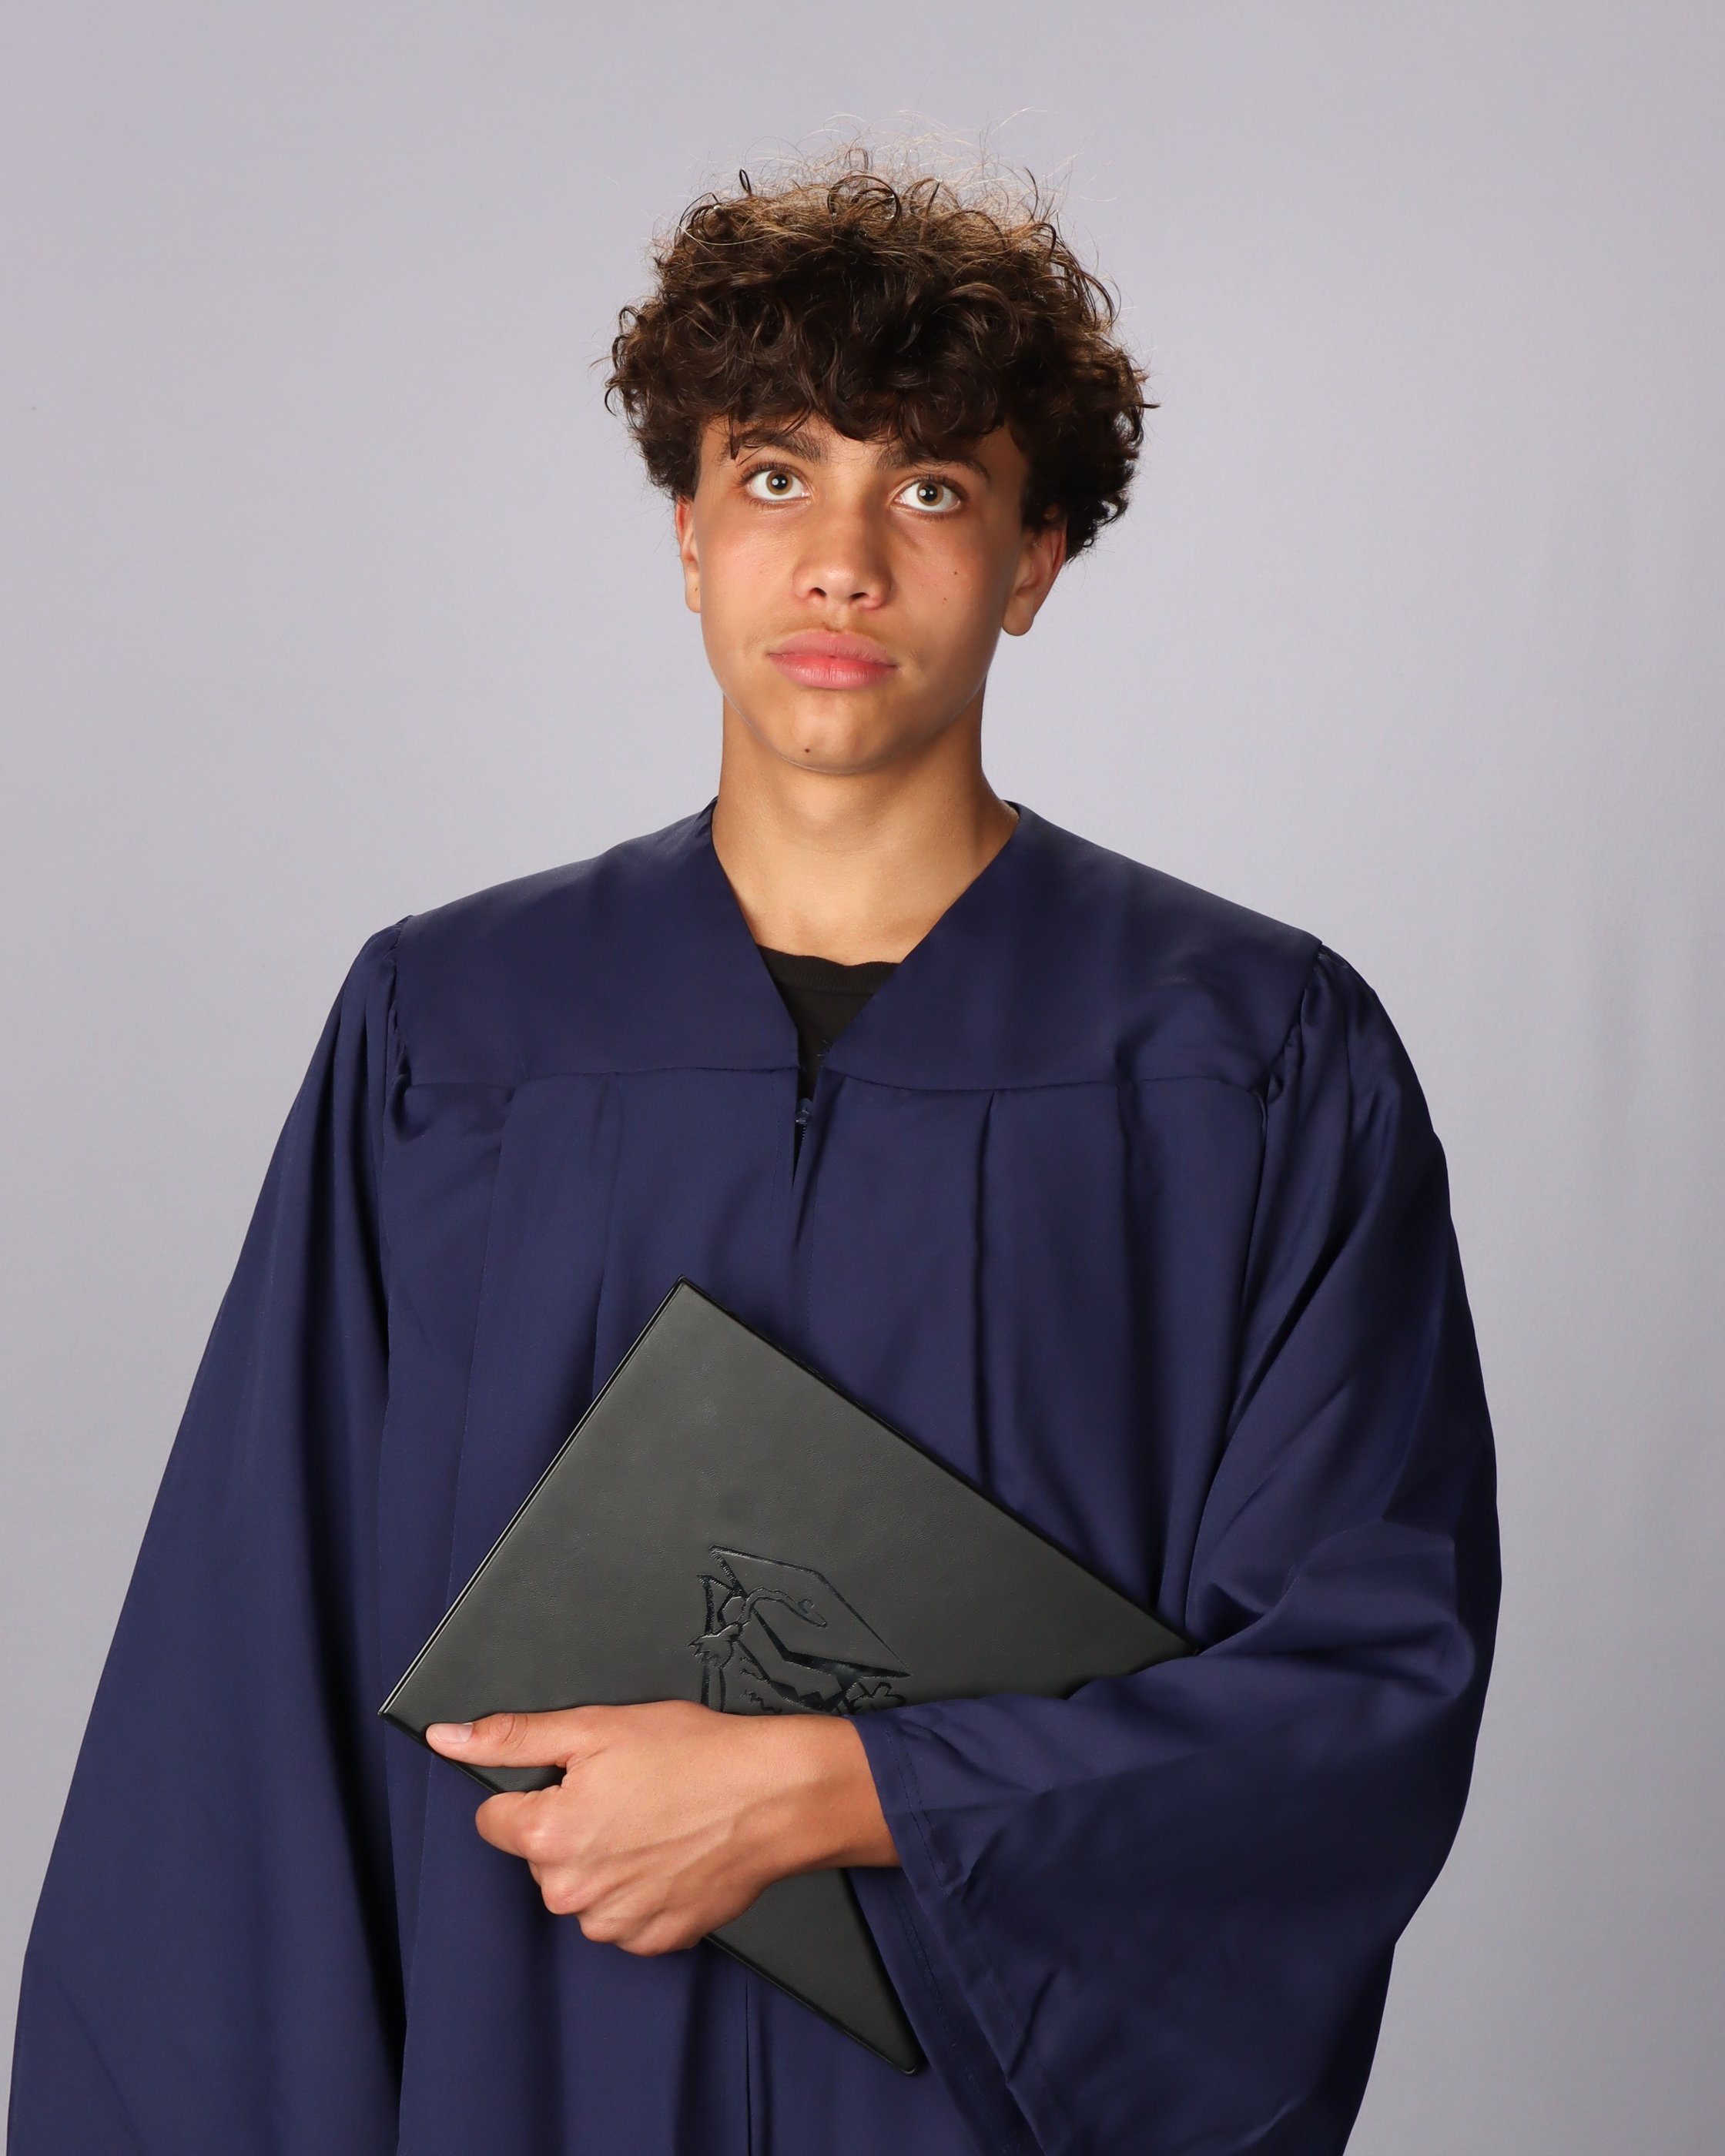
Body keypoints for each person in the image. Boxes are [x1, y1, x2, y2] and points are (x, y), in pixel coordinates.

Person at [8, 155, 1499, 2156]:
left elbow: (1355, 1679)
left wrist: (841, 1794)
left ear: (1037, 559)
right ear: (691, 533)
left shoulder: (1250, 1059)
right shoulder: (457, 1035)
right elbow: (247, 1692)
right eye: (779, 476)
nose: (844, 564)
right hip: (525, 2071)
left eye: (933, 490)